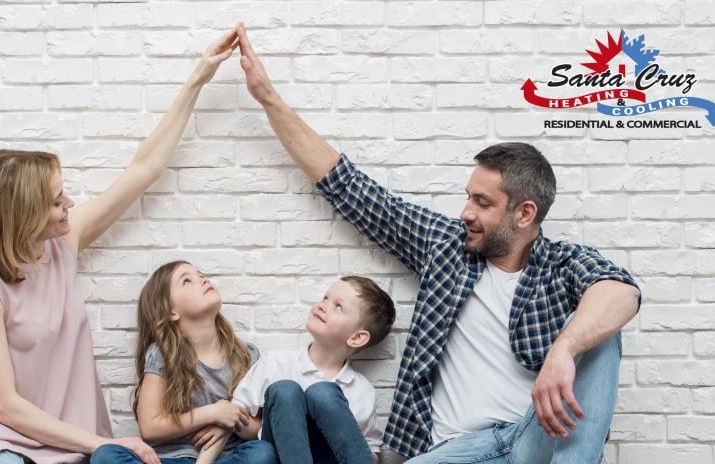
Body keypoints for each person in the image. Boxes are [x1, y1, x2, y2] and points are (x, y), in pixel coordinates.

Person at [233, 24, 642, 464]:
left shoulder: (561, 265)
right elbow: (350, 188)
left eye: (482, 203)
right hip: (456, 450)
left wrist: (564, 350)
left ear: (524, 214)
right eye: (468, 197)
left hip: (534, 439)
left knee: (600, 332)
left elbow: (621, 291)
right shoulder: (446, 246)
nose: (466, 211)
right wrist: (268, 98)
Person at [0, 28, 241, 464]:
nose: (69, 203)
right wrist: (102, 443)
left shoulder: (63, 244)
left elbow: (144, 168)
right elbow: (4, 406)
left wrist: (198, 79)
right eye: (56, 201)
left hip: (68, 435)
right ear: (24, 214)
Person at [91, 261, 277, 464]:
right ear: (171, 312)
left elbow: (260, 429)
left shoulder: (246, 355)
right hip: (170, 460)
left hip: (226, 458)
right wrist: (213, 412)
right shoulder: (162, 354)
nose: (203, 279)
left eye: (201, 275)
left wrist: (231, 420)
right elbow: (150, 428)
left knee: (263, 452)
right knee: (105, 454)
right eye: (187, 280)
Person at [232, 276, 396, 464]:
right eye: (325, 298)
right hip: (280, 456)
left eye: (338, 306)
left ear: (357, 337)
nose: (322, 305)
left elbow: (371, 449)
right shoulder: (277, 362)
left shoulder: (361, 390)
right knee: (285, 390)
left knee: (323, 393)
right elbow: (238, 414)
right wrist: (278, 428)